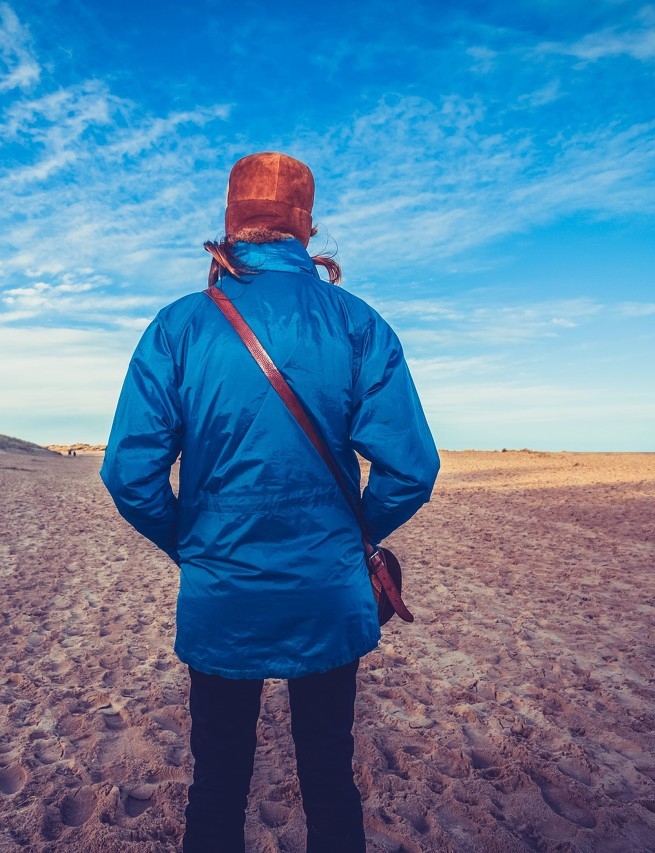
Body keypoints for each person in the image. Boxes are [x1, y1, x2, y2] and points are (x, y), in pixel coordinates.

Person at [101, 152, 439, 852]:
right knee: (329, 778)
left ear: (231, 223)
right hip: (327, 594)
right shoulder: (357, 323)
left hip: (222, 593)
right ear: (305, 226)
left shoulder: (180, 326)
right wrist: (348, 542)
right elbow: (411, 468)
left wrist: (191, 544)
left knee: (217, 784)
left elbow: (129, 474)